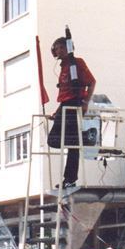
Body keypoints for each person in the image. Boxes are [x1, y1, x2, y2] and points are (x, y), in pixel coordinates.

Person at [47, 35, 97, 188]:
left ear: (68, 48)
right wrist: (57, 112)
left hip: (75, 104)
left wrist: (85, 103)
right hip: (65, 105)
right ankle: (83, 138)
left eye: (62, 48)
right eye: (57, 49)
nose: (59, 51)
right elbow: (64, 95)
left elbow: (92, 82)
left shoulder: (77, 63)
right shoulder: (63, 67)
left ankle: (70, 179)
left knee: (68, 144)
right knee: (55, 140)